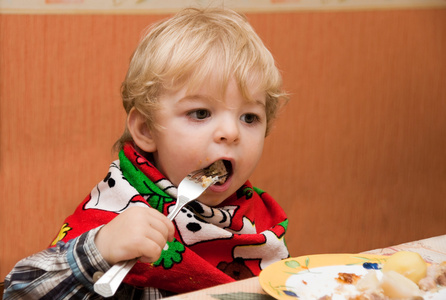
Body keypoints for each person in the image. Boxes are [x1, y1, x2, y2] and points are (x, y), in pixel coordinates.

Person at [3, 6, 289, 299]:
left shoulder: (256, 219)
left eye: (250, 117)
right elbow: (17, 293)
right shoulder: (116, 215)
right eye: (201, 113)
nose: (231, 132)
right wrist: (100, 249)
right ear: (146, 130)